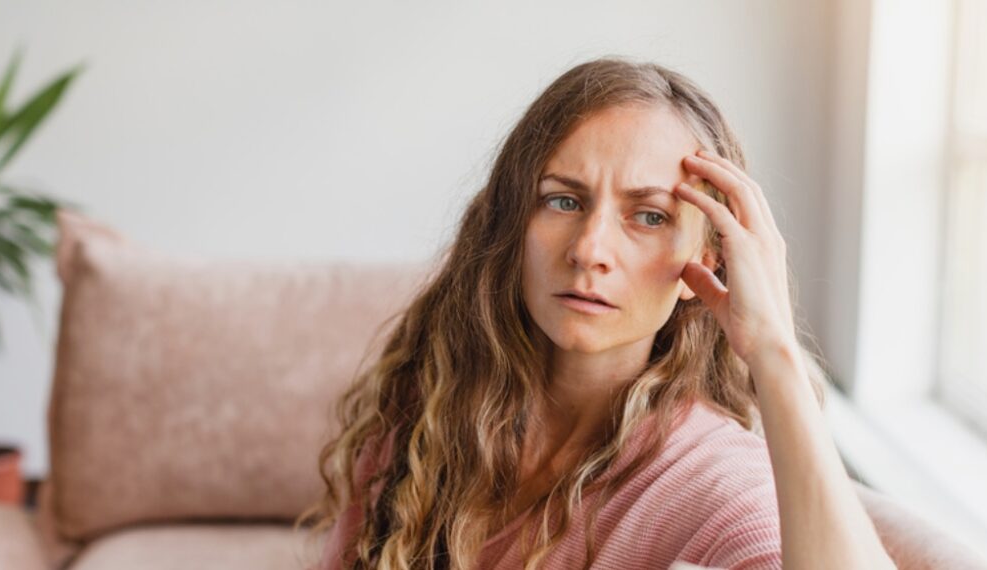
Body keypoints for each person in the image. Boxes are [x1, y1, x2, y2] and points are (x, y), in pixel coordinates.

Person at [298, 57, 896, 569]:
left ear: (707, 260)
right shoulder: (434, 399)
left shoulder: (711, 482)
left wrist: (774, 350)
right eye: (563, 201)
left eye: (650, 216)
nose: (588, 250)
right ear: (512, 222)